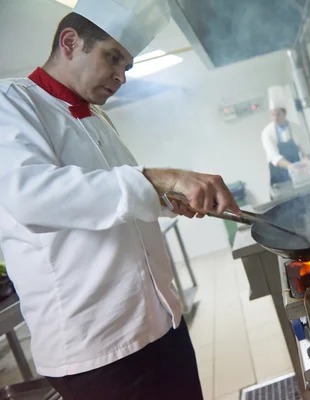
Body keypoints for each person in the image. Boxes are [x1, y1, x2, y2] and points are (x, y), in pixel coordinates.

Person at [0, 1, 238, 399]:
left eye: (127, 66)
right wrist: (157, 179)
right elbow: (31, 196)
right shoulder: (13, 102)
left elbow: (116, 197)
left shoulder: (96, 119)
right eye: (113, 58)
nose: (121, 77)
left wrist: (169, 197)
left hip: (161, 322)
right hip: (98, 348)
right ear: (70, 42)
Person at [261, 106, 309, 186]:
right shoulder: (267, 132)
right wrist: (291, 167)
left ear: (285, 114)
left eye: (278, 114)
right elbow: (273, 156)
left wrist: (305, 163)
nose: (275, 118)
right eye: (273, 115)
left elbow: (306, 149)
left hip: (297, 171)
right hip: (279, 174)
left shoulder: (295, 128)